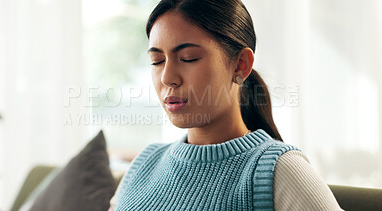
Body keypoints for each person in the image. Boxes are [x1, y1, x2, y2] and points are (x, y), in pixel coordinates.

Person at [111, 0, 343, 210]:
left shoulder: (279, 171)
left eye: (188, 58)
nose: (167, 78)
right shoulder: (144, 164)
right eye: (157, 61)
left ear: (241, 65)